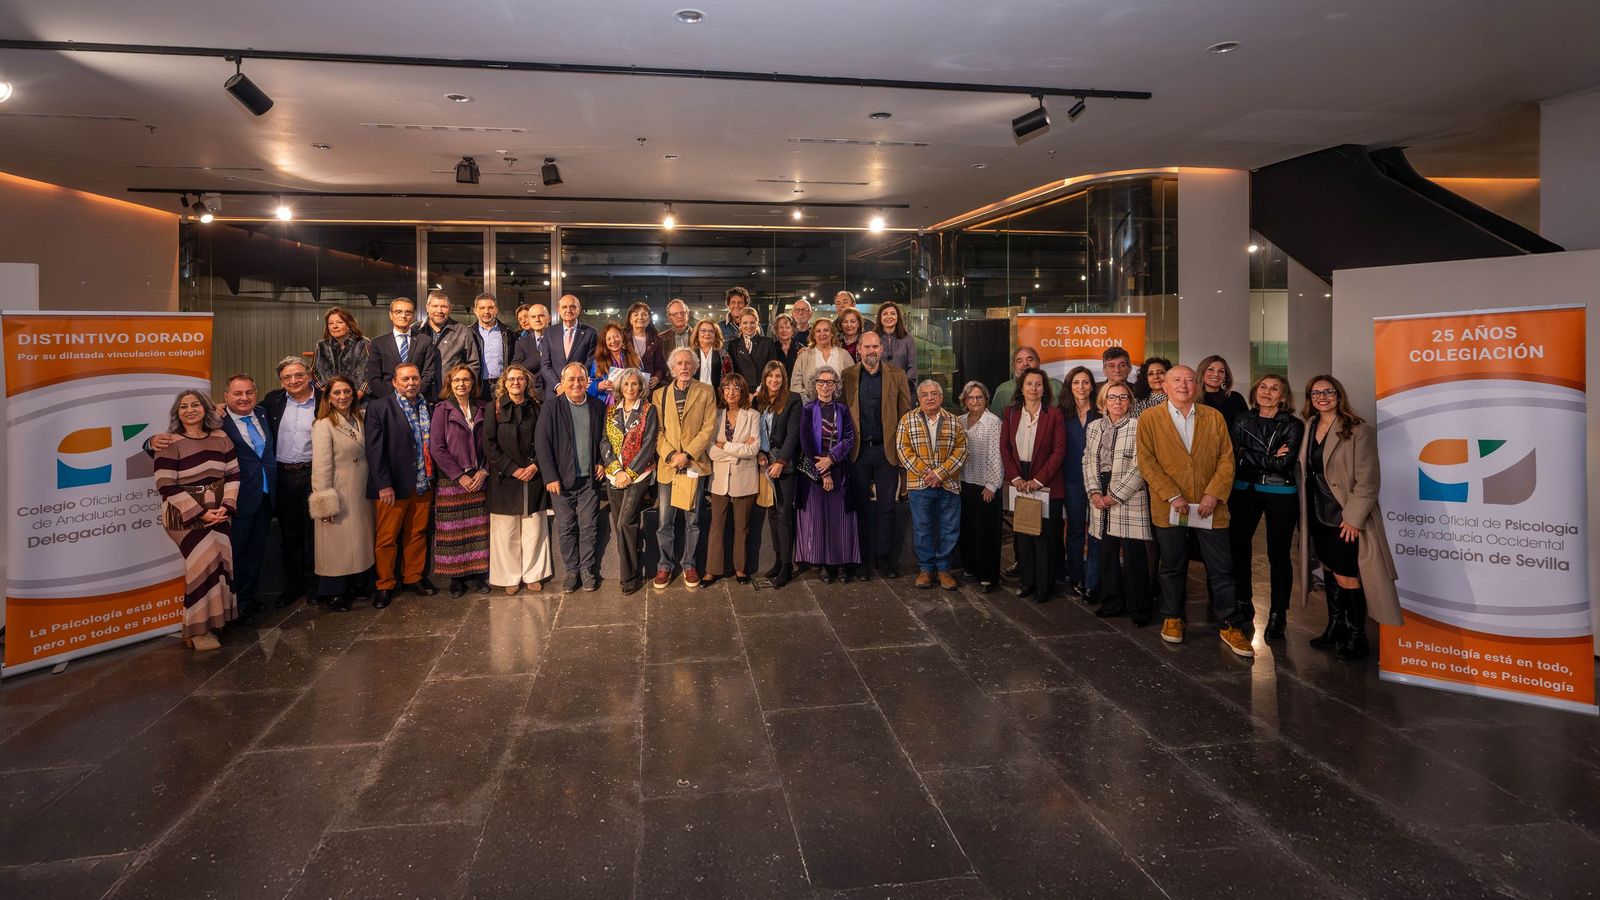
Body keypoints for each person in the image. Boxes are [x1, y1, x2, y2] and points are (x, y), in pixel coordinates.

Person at [1135, 365, 1253, 657]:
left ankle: (1230, 623)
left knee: (1221, 567)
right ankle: (1173, 617)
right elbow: (1147, 462)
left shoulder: (1213, 417)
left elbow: (1227, 459)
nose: (1183, 385)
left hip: (1210, 506)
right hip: (1170, 506)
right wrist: (1172, 495)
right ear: (1165, 386)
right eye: (1176, 380)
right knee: (1172, 565)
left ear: (1197, 386)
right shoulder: (1149, 418)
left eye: (1189, 380)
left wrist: (1214, 493)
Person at [1298, 374, 1402, 660]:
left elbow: (1368, 481)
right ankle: (1336, 627)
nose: (1322, 397)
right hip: (1317, 513)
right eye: (1315, 393)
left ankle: (1358, 636)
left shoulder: (1358, 430)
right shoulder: (1308, 427)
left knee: (1347, 574)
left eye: (1328, 392)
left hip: (1344, 516)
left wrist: (1354, 518)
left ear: (1339, 395)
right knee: (1329, 569)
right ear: (1309, 398)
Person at [154, 390, 240, 651]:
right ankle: (198, 631)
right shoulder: (169, 442)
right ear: (177, 413)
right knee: (202, 565)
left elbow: (234, 474)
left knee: (220, 563)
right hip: (184, 515)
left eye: (195, 405)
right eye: (184, 406)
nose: (190, 410)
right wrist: (201, 513)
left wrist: (226, 506)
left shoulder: (221, 437)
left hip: (219, 511)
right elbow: (165, 485)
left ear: (205, 409)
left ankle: (204, 624)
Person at [1230, 373, 1304, 641]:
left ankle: (1277, 614)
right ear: (1255, 391)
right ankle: (1243, 603)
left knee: (1278, 555)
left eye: (1274, 389)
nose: (1267, 392)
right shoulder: (1242, 419)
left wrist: (1247, 454)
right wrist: (1266, 456)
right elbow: (1232, 453)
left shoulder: (1294, 425)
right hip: (1244, 489)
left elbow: (1283, 464)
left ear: (1283, 396)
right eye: (1263, 387)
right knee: (1238, 548)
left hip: (1280, 491)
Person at [366, 363, 438, 607]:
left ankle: (413, 577)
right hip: (392, 486)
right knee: (387, 537)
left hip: (423, 482)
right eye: (405, 379)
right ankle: (385, 584)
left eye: (415, 378)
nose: (411, 383)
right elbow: (374, 450)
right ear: (394, 382)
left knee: (417, 533)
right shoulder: (379, 407)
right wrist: (383, 484)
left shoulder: (429, 405)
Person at [1083, 382, 1153, 626]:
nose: (1117, 402)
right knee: (1106, 552)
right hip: (1099, 489)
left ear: (1130, 402)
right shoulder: (1093, 427)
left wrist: (1116, 495)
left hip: (1129, 493)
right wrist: (1093, 491)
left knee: (1134, 555)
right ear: (1103, 401)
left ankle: (1140, 609)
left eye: (1123, 397)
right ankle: (1112, 602)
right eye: (1112, 397)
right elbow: (1087, 460)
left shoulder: (1139, 425)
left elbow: (1142, 465)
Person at [843, 331, 912, 577]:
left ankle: (883, 559)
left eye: (875, 347)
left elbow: (905, 413)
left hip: (887, 451)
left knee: (886, 507)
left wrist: (903, 450)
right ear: (859, 350)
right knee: (860, 507)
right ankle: (862, 561)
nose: (871, 351)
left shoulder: (897, 374)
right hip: (858, 452)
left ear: (881, 349)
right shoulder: (847, 376)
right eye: (867, 347)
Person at [536, 362, 608, 592]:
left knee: (588, 526)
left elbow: (604, 438)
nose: (576, 383)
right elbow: (542, 443)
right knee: (567, 526)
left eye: (581, 379)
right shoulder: (551, 407)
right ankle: (571, 570)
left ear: (588, 382)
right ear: (563, 382)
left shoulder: (597, 406)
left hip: (589, 479)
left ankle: (587, 570)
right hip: (561, 480)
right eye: (571, 379)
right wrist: (550, 477)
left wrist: (601, 461)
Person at [652, 348, 718, 590]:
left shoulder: (706, 391)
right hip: (668, 465)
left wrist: (687, 454)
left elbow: (708, 428)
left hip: (693, 464)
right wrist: (672, 455)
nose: (684, 367)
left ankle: (689, 564)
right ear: (672, 368)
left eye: (688, 363)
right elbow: (657, 430)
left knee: (693, 520)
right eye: (679, 363)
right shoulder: (659, 395)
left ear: (695, 366)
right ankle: (664, 566)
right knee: (664, 521)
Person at [485, 363, 553, 594]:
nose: (516, 382)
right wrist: (512, 469)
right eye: (511, 379)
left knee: (534, 528)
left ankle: (533, 574)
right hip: (505, 479)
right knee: (506, 532)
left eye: (520, 379)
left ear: (527, 382)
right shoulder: (493, 408)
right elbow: (489, 445)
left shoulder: (537, 407)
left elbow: (545, 439)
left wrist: (535, 465)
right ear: (504, 383)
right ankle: (509, 577)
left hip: (533, 476)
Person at [1001, 368, 1067, 603]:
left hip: (1047, 482)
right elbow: (1005, 448)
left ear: (1044, 389)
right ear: (1021, 387)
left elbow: (1059, 451)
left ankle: (1044, 588)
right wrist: (1016, 478)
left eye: (1038, 384)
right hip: (1020, 480)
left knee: (1045, 538)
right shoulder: (1011, 414)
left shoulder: (1054, 415)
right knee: (1024, 535)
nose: (1033, 388)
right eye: (1029, 384)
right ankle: (1027, 582)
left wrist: (1038, 480)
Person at [309, 375, 374, 611]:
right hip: (339, 492)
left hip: (360, 491)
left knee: (357, 543)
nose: (343, 396)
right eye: (336, 392)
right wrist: (324, 503)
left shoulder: (361, 418)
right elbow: (321, 467)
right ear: (328, 397)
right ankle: (334, 592)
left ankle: (357, 585)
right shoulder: (323, 425)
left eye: (347, 391)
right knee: (336, 545)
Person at [897, 380, 967, 590]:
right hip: (920, 485)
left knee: (949, 528)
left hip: (949, 485)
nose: (930, 398)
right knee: (922, 528)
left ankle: (944, 570)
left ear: (941, 397)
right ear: (918, 398)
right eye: (925, 394)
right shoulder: (907, 420)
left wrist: (940, 473)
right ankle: (926, 570)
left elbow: (962, 450)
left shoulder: (954, 421)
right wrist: (927, 473)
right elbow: (902, 449)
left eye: (934, 393)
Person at [262, 357, 320, 607]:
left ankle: (316, 585)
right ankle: (294, 585)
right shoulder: (272, 401)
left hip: (313, 476)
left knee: (315, 536)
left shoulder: (324, 400)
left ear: (309, 375)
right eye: (287, 377)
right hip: (284, 477)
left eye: (299, 375)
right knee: (290, 535)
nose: (294, 380)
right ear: (281, 381)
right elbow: (246, 411)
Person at [431, 365, 491, 597]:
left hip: (478, 477)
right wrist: (459, 475)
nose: (461, 384)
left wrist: (484, 470)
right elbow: (437, 447)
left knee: (478, 530)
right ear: (450, 383)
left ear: (473, 383)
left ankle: (479, 576)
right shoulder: (442, 410)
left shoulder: (483, 407)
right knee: (453, 532)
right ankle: (457, 579)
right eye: (456, 380)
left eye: (465, 380)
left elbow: (491, 442)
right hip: (452, 480)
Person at [794, 366, 859, 583]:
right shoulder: (807, 410)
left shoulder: (843, 409)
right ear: (815, 384)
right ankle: (822, 564)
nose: (825, 386)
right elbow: (806, 442)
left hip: (839, 471)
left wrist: (831, 459)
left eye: (830, 382)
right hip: (814, 474)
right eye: (821, 382)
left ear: (836, 386)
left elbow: (849, 438)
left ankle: (840, 564)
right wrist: (824, 472)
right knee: (818, 519)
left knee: (840, 520)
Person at [601, 367, 658, 595]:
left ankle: (629, 577)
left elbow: (649, 445)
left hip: (639, 474)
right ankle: (630, 569)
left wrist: (629, 473)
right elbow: (604, 442)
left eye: (634, 384)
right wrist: (616, 471)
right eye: (626, 384)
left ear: (641, 386)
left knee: (625, 523)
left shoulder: (648, 410)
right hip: (614, 475)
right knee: (620, 525)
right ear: (620, 387)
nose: (630, 388)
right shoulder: (611, 411)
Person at [706, 373, 761, 584]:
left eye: (736, 388)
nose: (731, 392)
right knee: (716, 526)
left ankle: (740, 569)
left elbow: (753, 449)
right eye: (727, 388)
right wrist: (738, 449)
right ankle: (712, 570)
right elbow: (711, 450)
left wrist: (725, 446)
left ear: (743, 391)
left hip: (744, 477)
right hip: (719, 478)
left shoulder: (753, 415)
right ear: (722, 391)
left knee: (741, 527)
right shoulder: (716, 414)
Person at [755, 360, 802, 587]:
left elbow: (793, 435)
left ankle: (787, 566)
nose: (774, 380)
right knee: (772, 514)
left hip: (785, 465)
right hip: (766, 463)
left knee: (784, 516)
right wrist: (760, 454)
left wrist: (781, 461)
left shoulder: (793, 399)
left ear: (784, 379)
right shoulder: (759, 401)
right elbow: (757, 431)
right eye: (770, 376)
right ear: (765, 378)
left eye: (778, 376)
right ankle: (777, 560)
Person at [1059, 365, 1101, 601]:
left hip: (1098, 481)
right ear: (1069, 386)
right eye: (1076, 382)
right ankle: (1076, 576)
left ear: (1092, 386)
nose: (1081, 387)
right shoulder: (1061, 414)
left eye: (1085, 382)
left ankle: (1093, 579)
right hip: (1072, 479)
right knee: (1075, 529)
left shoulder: (1102, 412)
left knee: (1096, 531)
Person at [956, 381, 1003, 593]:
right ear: (964, 400)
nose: (975, 401)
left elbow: (997, 456)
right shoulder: (959, 421)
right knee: (968, 529)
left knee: (987, 532)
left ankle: (988, 576)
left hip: (986, 485)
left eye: (979, 397)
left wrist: (992, 485)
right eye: (971, 397)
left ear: (986, 399)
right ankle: (971, 568)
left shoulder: (993, 422)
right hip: (964, 482)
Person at [365, 297, 439, 400]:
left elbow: (428, 374)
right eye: (398, 312)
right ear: (391, 315)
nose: (403, 316)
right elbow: (373, 377)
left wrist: (414, 395)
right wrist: (391, 399)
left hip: (417, 399)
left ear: (413, 316)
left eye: (408, 312)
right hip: (387, 400)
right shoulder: (378, 343)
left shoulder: (424, 341)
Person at [417, 290, 481, 398]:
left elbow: (473, 364)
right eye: (435, 306)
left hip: (451, 396)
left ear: (450, 308)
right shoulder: (415, 331)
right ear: (427, 307)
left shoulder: (463, 331)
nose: (439, 310)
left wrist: (464, 388)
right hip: (419, 395)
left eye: (444, 306)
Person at [539, 294, 598, 400]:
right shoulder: (549, 332)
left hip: (578, 391)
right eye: (564, 307)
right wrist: (558, 386)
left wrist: (575, 384)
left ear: (579, 309)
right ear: (558, 310)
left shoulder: (591, 333)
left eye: (572, 307)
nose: (568, 310)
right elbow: (545, 365)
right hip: (555, 392)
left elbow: (589, 364)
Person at [789, 318, 852, 403]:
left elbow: (852, 382)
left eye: (826, 330)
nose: (822, 334)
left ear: (832, 333)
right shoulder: (804, 356)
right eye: (818, 331)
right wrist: (808, 405)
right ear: (814, 336)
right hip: (810, 406)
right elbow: (796, 384)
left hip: (840, 406)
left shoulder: (844, 355)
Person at [313, 306, 370, 396]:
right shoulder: (321, 345)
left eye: (340, 322)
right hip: (329, 398)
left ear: (349, 325)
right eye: (330, 323)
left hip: (358, 398)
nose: (335, 326)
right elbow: (313, 373)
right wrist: (324, 391)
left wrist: (359, 394)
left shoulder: (363, 343)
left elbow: (371, 373)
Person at [989, 347, 1062, 415]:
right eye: (1019, 361)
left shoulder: (1056, 385)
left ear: (1038, 362)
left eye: (1030, 360)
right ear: (1014, 366)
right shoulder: (1003, 390)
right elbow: (995, 421)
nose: (1025, 364)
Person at [473, 292, 516, 403]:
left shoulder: (508, 332)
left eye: (490, 308)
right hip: (478, 386)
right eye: (482, 308)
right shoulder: (469, 333)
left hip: (503, 385)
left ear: (496, 310)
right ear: (475, 311)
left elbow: (513, 360)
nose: (486, 312)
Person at [589, 321, 641, 407]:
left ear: (622, 337)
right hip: (606, 405)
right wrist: (599, 385)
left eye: (616, 336)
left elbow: (642, 381)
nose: (613, 341)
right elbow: (590, 389)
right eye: (608, 339)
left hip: (632, 402)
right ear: (605, 343)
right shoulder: (598, 361)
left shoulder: (634, 357)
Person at [509, 302, 553, 395]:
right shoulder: (521, 342)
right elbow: (516, 368)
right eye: (533, 317)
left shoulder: (559, 337)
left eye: (540, 316)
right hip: (532, 392)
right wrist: (539, 357)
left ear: (549, 318)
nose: (537, 319)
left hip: (556, 390)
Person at [729, 308, 777, 388]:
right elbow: (733, 372)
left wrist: (759, 390)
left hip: (763, 388)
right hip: (741, 389)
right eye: (745, 323)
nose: (749, 326)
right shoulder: (733, 345)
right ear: (740, 324)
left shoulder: (768, 343)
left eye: (752, 322)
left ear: (757, 323)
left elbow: (772, 370)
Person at [1197, 354, 1248, 427]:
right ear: (1202, 373)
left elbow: (1248, 425)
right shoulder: (1194, 400)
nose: (1216, 374)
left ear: (1225, 377)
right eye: (1210, 369)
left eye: (1221, 371)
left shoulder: (1236, 397)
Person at [626, 300, 668, 388]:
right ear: (630, 320)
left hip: (648, 387)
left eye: (644, 314)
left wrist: (656, 377)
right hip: (628, 386)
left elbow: (660, 366)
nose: (640, 317)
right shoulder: (623, 339)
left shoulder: (657, 340)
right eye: (636, 315)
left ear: (649, 320)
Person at [873, 300, 916, 384]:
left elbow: (912, 367)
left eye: (893, 313)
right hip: (877, 385)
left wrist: (905, 386)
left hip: (902, 385)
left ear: (898, 317)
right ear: (880, 318)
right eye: (885, 314)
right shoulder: (873, 338)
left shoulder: (908, 339)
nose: (889, 317)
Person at [691, 319, 730, 387]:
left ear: (716, 335)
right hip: (694, 391)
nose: (707, 334)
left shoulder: (723, 354)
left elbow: (728, 377)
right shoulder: (690, 354)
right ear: (697, 334)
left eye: (711, 331)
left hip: (716, 392)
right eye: (703, 331)